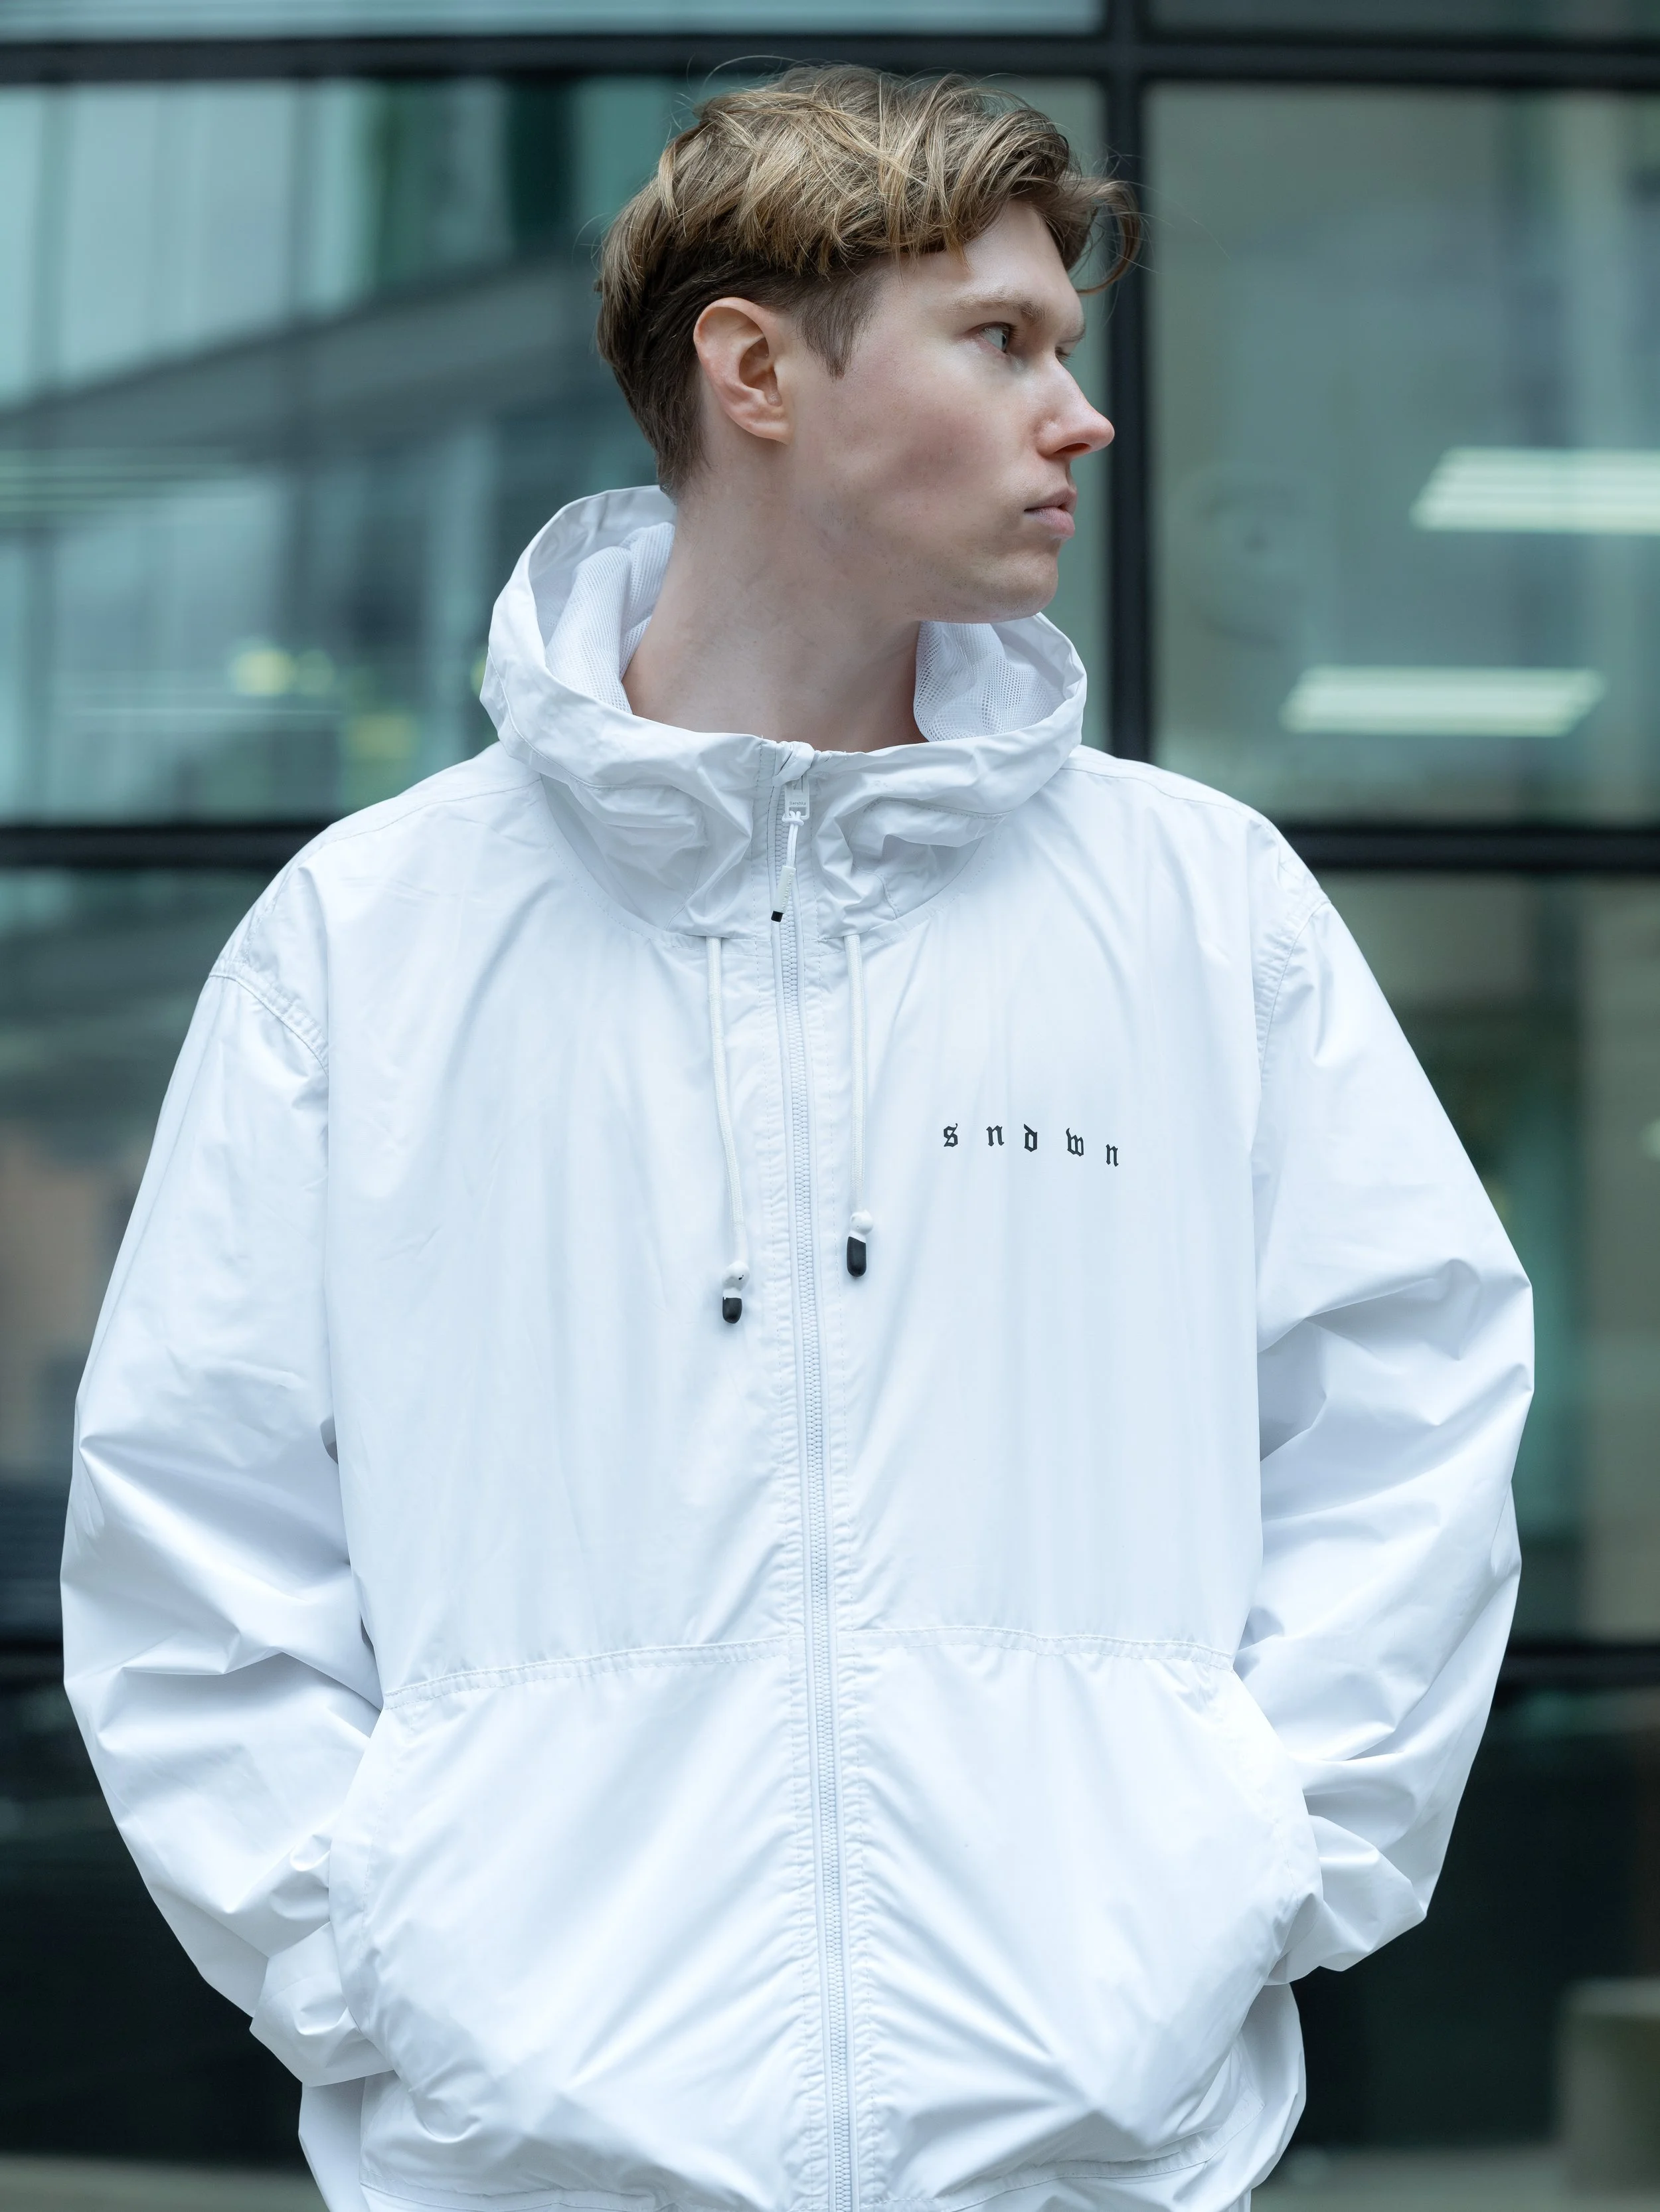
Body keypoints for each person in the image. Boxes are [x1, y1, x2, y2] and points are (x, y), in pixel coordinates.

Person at [62, 67, 1532, 2212]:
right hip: (538, 2159)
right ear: (753, 368)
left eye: (1066, 345)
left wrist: (1252, 1864)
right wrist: (377, 1952)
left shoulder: (1197, 908)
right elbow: (196, 1524)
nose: (1078, 415)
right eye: (1001, 341)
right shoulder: (370, 940)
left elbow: (1405, 1416)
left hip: (1094, 2155)